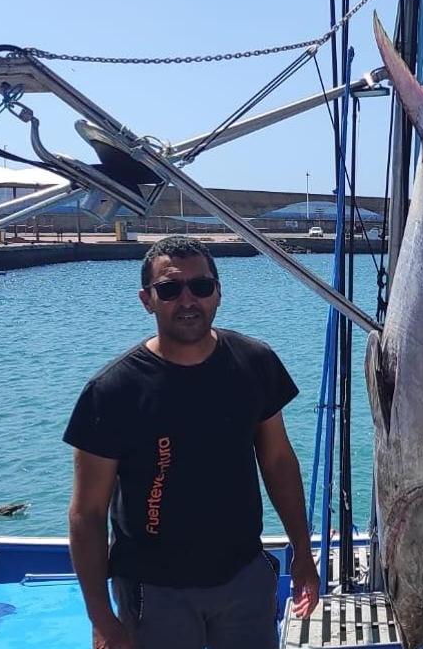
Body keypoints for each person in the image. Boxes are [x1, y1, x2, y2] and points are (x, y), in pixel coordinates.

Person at [65, 236, 319, 649]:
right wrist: (101, 618)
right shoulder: (112, 391)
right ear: (147, 299)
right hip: (154, 591)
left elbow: (277, 463)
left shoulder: (255, 362)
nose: (187, 300)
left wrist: (303, 554)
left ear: (218, 293)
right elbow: (87, 514)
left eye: (200, 287)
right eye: (169, 289)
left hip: (243, 577)